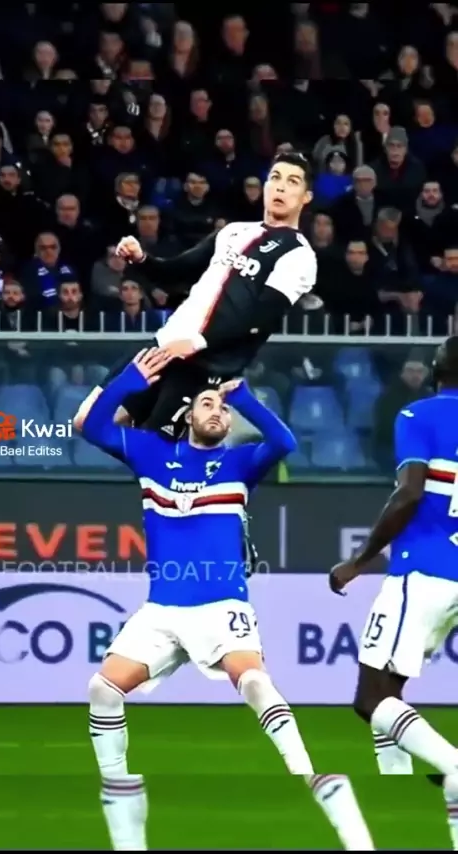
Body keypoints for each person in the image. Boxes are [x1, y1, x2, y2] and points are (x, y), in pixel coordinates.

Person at [82, 348, 375, 852]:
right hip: (162, 610)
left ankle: (307, 773)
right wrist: (129, 380)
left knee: (255, 680)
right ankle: (117, 787)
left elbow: (283, 441)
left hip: (222, 607)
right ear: (187, 417)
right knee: (102, 689)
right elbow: (92, 428)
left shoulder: (240, 463)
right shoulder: (150, 453)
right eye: (207, 405)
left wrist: (245, 399)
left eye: (221, 408)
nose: (217, 412)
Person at [72, 150, 317, 439]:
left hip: (205, 364)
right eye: (275, 178)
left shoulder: (299, 255)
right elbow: (177, 271)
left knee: (154, 449)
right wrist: (141, 259)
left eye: (292, 182)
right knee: (86, 421)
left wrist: (198, 342)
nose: (280, 187)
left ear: (306, 197)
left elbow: (258, 318)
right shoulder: (233, 232)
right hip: (165, 344)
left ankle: (204, 455)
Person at [329, 335, 458, 849]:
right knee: (392, 688)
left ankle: (453, 765)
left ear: (437, 368)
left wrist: (360, 560)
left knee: (370, 697)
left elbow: (409, 493)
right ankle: (396, 791)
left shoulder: (418, 415)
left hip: (423, 571)